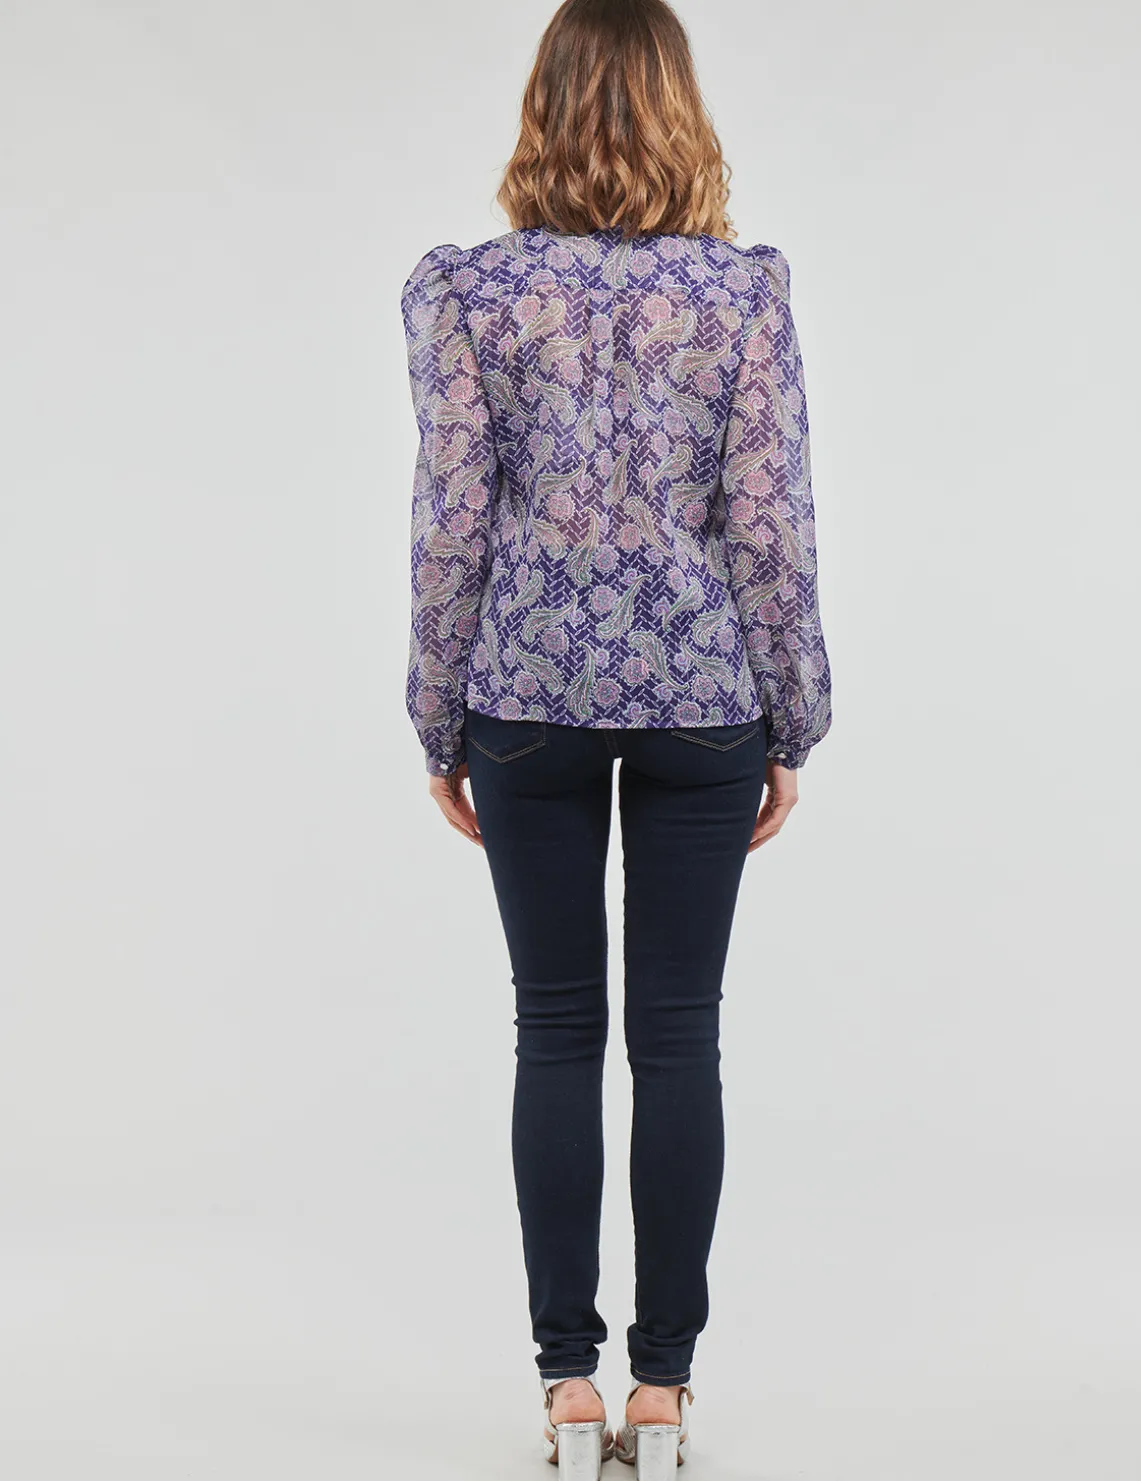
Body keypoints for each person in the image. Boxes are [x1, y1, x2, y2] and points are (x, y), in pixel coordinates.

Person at [399, 1, 832, 1473]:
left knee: (557, 1031)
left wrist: (436, 711)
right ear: (677, 110)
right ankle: (664, 1390)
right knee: (681, 1037)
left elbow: (451, 517)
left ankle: (567, 1388)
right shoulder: (742, 294)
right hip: (705, 697)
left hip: (526, 697)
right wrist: (794, 712)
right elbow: (770, 522)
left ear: (546, 107)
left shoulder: (468, 292)